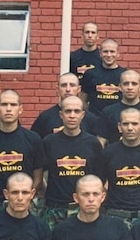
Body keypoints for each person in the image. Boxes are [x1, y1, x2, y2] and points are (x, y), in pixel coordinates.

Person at [0, 90, 45, 219]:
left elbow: (38, 177)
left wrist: (25, 199)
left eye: (13, 105)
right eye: (4, 104)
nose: (8, 109)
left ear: (20, 109)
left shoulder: (33, 139)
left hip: (25, 206)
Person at [40, 95, 103, 229]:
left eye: (76, 111)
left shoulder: (92, 143)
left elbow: (99, 176)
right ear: (61, 114)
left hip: (82, 209)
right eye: (68, 111)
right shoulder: (49, 142)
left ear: (83, 115)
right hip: (54, 209)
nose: (72, 115)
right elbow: (40, 173)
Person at [97, 108, 140, 226]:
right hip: (114, 215)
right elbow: (100, 183)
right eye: (126, 124)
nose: (130, 128)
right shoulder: (108, 153)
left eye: (135, 124)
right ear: (119, 127)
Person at [30, 73, 100, 140]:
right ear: (57, 89)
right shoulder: (45, 117)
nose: (68, 89)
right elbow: (35, 145)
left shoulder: (90, 119)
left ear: (79, 89)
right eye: (64, 85)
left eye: (72, 85)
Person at [100, 70, 140, 144]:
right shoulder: (108, 112)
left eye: (134, 84)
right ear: (120, 87)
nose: (130, 87)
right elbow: (100, 144)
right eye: (126, 84)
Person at [81, 38, 126, 114]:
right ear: (100, 53)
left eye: (112, 52)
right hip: (95, 121)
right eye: (105, 51)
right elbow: (82, 100)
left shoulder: (125, 74)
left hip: (118, 121)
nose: (109, 55)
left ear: (118, 53)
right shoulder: (90, 74)